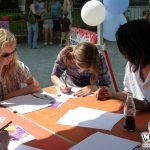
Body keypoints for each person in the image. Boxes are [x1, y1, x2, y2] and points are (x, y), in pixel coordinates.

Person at [96, 19, 150, 111]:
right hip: (135, 120)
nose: (123, 53)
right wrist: (113, 94)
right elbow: (128, 92)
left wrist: (144, 106)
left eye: (126, 48)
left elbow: (136, 103)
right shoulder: (131, 65)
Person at [0, 28, 41, 100]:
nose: (10, 57)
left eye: (13, 52)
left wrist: (10, 95)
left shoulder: (17, 66)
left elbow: (36, 86)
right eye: (5, 55)